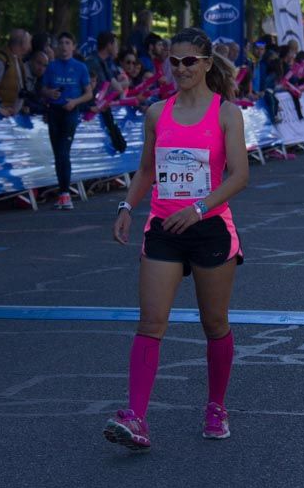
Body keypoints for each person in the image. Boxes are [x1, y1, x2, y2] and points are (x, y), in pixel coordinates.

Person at [105, 27, 247, 451]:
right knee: (150, 323)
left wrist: (200, 208)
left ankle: (216, 407)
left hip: (209, 228)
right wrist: (127, 207)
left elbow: (240, 175)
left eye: (189, 61)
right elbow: (147, 170)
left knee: (214, 324)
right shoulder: (156, 112)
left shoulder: (225, 113)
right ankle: (136, 417)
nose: (181, 69)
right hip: (165, 228)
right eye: (175, 61)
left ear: (205, 63)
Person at [41, 32, 93, 210]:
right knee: (58, 154)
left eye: (67, 43)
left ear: (73, 46)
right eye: (61, 43)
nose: (64, 46)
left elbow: (89, 93)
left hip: (70, 112)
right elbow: (43, 89)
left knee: (64, 152)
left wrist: (75, 102)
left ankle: (65, 193)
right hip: (54, 112)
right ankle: (62, 193)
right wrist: (50, 93)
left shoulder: (80, 67)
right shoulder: (51, 67)